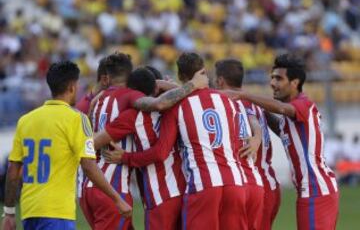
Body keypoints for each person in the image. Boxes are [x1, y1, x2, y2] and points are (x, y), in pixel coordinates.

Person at [111, 53, 248, 230]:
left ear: (181, 76)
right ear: (203, 72)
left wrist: (126, 157)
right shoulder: (226, 100)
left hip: (203, 183)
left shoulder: (179, 105)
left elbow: (161, 151)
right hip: (236, 182)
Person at [80, 52, 208, 230]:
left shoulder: (99, 101)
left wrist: (125, 157)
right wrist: (189, 84)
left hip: (96, 185)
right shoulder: (159, 108)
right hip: (120, 188)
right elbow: (162, 103)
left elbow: (89, 139)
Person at [1, 61, 131, 230]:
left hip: (29, 212)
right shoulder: (76, 119)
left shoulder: (25, 121)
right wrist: (117, 199)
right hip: (57, 212)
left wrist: (9, 213)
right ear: (72, 86)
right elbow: (88, 166)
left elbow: (13, 170)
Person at [228, 54, 339, 230]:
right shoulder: (291, 116)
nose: (272, 83)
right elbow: (280, 127)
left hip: (316, 190)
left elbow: (280, 108)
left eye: (279, 78)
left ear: (294, 83)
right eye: (272, 77)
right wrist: (255, 110)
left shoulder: (303, 104)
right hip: (310, 191)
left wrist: (245, 96)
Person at [94, 67, 186, 229]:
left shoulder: (132, 115)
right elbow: (194, 93)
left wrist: (125, 158)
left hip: (160, 196)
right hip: (181, 192)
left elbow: (159, 153)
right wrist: (169, 85)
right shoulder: (174, 108)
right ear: (157, 87)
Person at [215, 59, 267, 230]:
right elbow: (254, 121)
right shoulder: (255, 101)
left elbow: (253, 123)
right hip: (260, 179)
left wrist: (257, 136)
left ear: (220, 80)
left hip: (240, 180)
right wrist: (258, 136)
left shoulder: (227, 101)